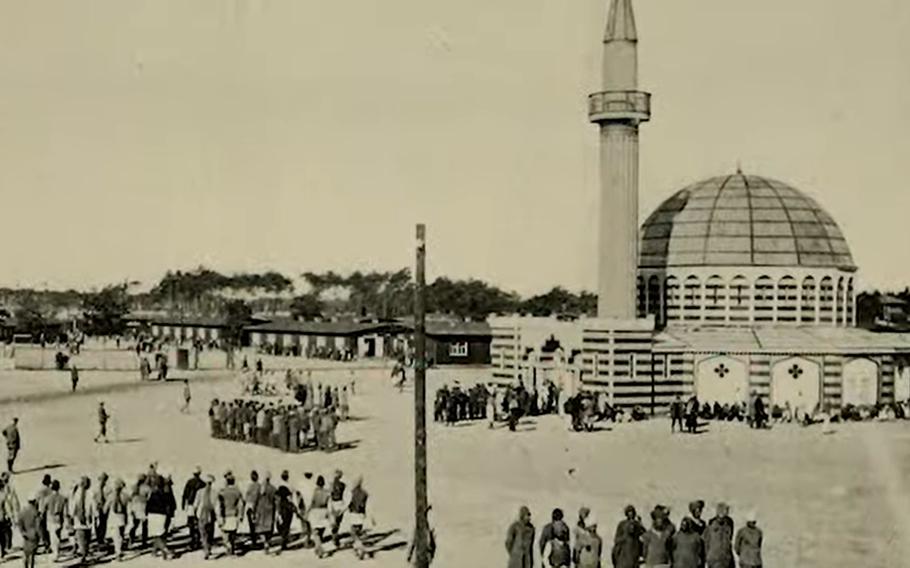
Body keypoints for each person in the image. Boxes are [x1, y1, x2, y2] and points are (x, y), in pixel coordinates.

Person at [218, 471, 244, 556]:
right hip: (234, 515)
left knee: (225, 533)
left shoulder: (222, 491)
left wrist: (219, 516)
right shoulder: (237, 491)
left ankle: (227, 545)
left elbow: (219, 505)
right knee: (233, 534)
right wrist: (241, 515)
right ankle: (232, 548)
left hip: (225, 514)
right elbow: (241, 504)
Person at [193, 474, 217, 560]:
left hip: (201, 514)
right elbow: (216, 505)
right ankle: (208, 547)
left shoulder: (199, 492)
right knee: (210, 533)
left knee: (203, 533)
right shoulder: (215, 492)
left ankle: (206, 549)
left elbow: (195, 504)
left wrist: (194, 514)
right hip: (211, 514)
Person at [181, 467, 205, 551]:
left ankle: (193, 540)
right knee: (198, 523)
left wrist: (183, 504)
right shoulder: (202, 483)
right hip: (199, 506)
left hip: (191, 505)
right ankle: (197, 540)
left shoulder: (190, 482)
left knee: (191, 524)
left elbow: (185, 494)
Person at [70, 476, 92, 564]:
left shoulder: (76, 494)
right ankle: (84, 554)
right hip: (88, 521)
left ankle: (83, 555)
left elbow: (73, 508)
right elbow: (93, 507)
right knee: (86, 539)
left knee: (81, 540)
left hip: (78, 521)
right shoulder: (90, 493)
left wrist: (72, 516)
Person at [705, 503, 735, 568]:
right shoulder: (711, 526)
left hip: (726, 559)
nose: (726, 514)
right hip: (714, 560)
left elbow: (729, 541)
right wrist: (708, 557)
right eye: (724, 512)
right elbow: (706, 543)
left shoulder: (729, 525)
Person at [309, 476, 331, 558]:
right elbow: (329, 502)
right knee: (321, 530)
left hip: (316, 511)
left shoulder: (315, 491)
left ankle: (320, 549)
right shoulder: (326, 492)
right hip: (324, 511)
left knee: (315, 532)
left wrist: (308, 512)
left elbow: (312, 502)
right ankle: (317, 548)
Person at [255, 473, 277, 555]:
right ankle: (267, 541)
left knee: (260, 528)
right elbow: (276, 500)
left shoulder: (260, 488)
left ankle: (264, 542)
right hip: (270, 509)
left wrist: (254, 510)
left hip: (261, 509)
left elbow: (255, 500)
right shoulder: (273, 488)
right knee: (269, 528)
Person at [45, 480, 67, 562]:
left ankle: (55, 553)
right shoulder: (63, 498)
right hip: (59, 519)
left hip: (50, 519)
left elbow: (43, 508)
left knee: (53, 537)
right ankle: (57, 551)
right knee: (58, 536)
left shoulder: (48, 498)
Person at [108, 478, 129, 561]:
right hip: (122, 517)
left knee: (116, 536)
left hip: (113, 518)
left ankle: (118, 552)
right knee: (120, 535)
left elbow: (106, 508)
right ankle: (119, 550)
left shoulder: (111, 495)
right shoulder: (125, 496)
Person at [0, 472, 20, 560]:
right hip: (2, 518)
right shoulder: (3, 495)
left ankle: (5, 548)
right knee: (4, 534)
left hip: (3, 517)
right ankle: (4, 549)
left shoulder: (7, 490)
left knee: (4, 534)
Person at [17, 496, 40, 568]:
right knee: (32, 555)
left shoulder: (22, 511)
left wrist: (22, 532)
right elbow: (38, 525)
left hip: (26, 534)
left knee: (26, 553)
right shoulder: (36, 512)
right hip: (34, 534)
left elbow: (19, 523)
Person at [244, 470, 261, 549]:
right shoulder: (259, 486)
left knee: (251, 525)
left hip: (250, 507)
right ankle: (256, 540)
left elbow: (246, 498)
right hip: (257, 507)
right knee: (257, 524)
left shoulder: (249, 486)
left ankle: (254, 540)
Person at [329, 470, 346, 547]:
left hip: (333, 502)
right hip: (340, 503)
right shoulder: (343, 485)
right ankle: (335, 535)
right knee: (338, 521)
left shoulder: (331, 485)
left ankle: (334, 536)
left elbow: (330, 494)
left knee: (334, 521)